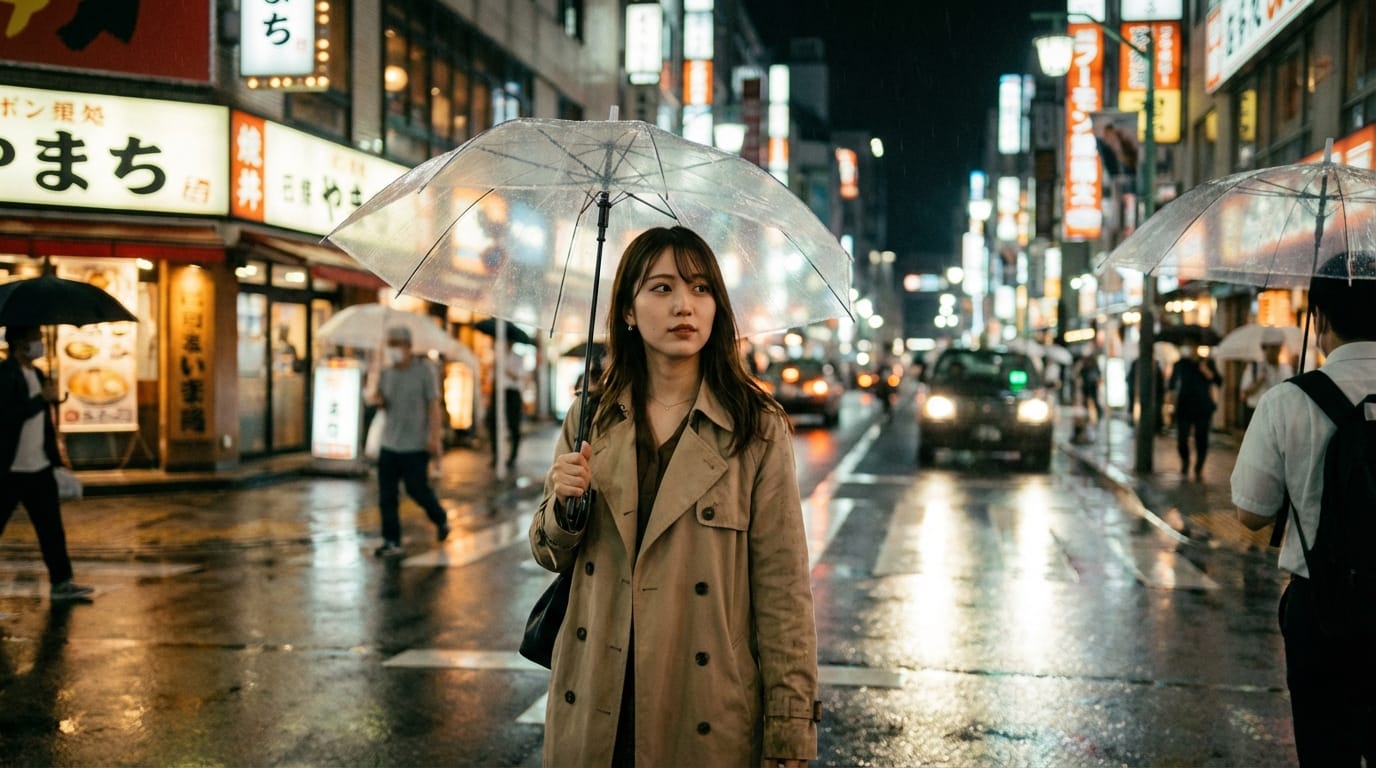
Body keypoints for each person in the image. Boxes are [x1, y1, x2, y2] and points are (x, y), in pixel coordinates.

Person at [530, 226, 819, 766]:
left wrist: (790, 727)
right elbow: (549, 553)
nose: (685, 305)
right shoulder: (591, 417)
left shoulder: (754, 429)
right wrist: (564, 503)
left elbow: (784, 590)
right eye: (662, 288)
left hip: (704, 703)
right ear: (629, 311)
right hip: (598, 698)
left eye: (701, 288)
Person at [1232, 253, 1376, 765]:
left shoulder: (1289, 400)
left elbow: (1251, 511)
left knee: (1326, 752)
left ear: (1321, 319)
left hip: (1322, 608)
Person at [0, 326, 94, 602]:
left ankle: (61, 582)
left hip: (38, 466)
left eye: (39, 338)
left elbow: (43, 424)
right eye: (34, 338)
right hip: (9, 468)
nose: (38, 343)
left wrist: (53, 402)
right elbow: (7, 416)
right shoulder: (4, 375)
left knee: (52, 528)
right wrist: (40, 399)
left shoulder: (39, 375)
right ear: (19, 343)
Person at [368, 325, 448, 557]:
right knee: (386, 496)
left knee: (417, 490)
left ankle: (440, 517)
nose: (393, 349)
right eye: (390, 344)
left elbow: (433, 406)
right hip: (389, 443)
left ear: (408, 347)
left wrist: (434, 437)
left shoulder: (425, 370)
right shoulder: (386, 372)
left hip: (415, 445)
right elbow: (381, 401)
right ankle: (392, 541)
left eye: (397, 344)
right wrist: (376, 395)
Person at [1169, 345, 1219, 479]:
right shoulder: (1180, 364)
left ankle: (1199, 466)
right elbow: (1171, 385)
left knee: (1201, 438)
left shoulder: (1207, 362)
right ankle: (1185, 461)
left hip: (1203, 406)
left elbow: (1218, 380)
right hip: (1184, 406)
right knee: (1182, 439)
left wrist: (1206, 371)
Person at [1239, 330, 1294, 426]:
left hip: (1278, 414)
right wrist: (1260, 380)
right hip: (1257, 413)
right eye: (1271, 347)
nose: (1274, 351)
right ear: (1265, 348)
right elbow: (1244, 393)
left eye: (1277, 347)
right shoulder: (1254, 367)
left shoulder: (1286, 369)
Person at [486, 336, 525, 470]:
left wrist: (505, 368)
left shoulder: (518, 357)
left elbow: (518, 376)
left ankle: (513, 456)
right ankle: (496, 455)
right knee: (492, 422)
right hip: (499, 391)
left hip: (512, 392)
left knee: (513, 425)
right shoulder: (499, 356)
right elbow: (492, 376)